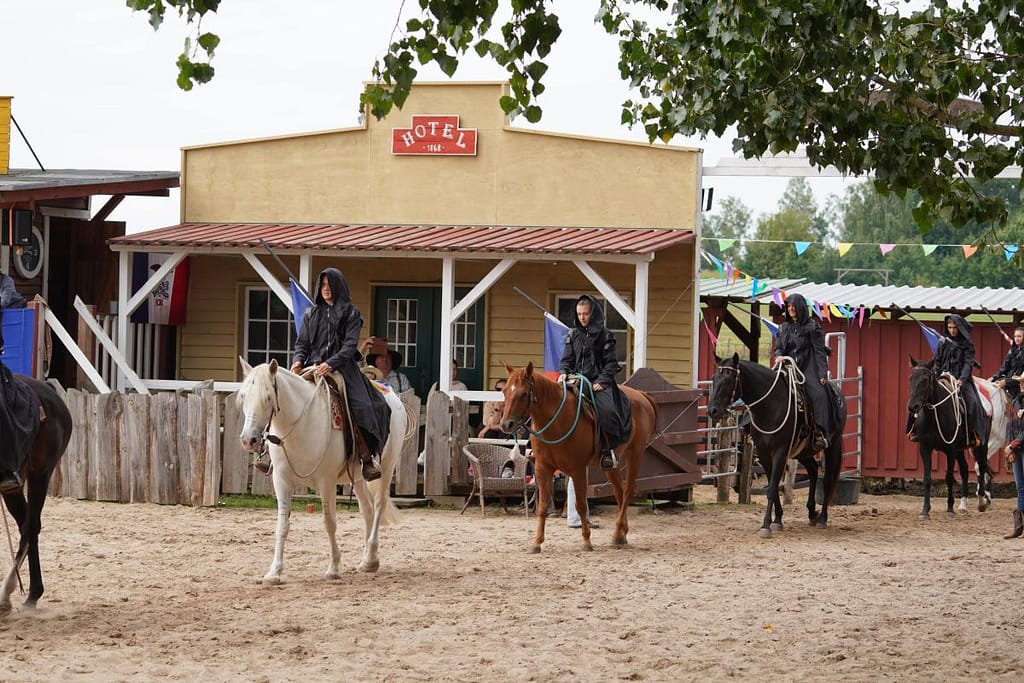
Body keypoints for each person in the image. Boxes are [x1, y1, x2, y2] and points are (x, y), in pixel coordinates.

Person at [284, 267, 390, 482]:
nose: (326, 289)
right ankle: (270, 453)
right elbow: (302, 344)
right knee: (282, 398)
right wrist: (297, 362)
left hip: (343, 370)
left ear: (338, 286)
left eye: (330, 285)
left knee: (368, 406)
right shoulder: (311, 314)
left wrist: (331, 364)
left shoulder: (351, 313)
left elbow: (349, 346)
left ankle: (366, 457)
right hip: (311, 368)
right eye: (322, 285)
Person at [557, 294, 632, 470]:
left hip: (598, 384)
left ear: (593, 313)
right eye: (579, 314)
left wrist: (602, 381)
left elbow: (611, 364)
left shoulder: (606, 335)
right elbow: (566, 360)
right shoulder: (573, 334)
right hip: (574, 382)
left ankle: (608, 451)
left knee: (607, 412)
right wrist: (563, 373)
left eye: (585, 314)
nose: (582, 317)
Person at [913, 314, 987, 447]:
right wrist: (935, 374)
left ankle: (972, 434)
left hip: (961, 381)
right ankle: (914, 430)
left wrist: (962, 380)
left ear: (960, 328)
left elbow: (968, 364)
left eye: (954, 327)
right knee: (919, 395)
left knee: (973, 403)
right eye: (949, 327)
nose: (952, 330)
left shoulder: (967, 344)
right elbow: (938, 361)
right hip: (942, 377)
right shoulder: (943, 342)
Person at [773, 293, 832, 452]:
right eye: (789, 306)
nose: (791, 309)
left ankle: (819, 432)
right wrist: (779, 356)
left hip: (807, 368)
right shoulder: (784, 327)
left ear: (801, 308)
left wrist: (822, 374)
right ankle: (748, 426)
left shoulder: (812, 327)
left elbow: (820, 352)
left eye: (793, 306)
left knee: (819, 394)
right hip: (787, 367)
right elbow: (778, 347)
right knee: (767, 388)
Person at [1003, 413, 1024, 539]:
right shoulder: (1015, 401)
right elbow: (1009, 424)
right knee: (1020, 487)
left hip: (1017, 445)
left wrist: (1012, 445)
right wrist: (1009, 449)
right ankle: (1019, 526)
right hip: (1016, 449)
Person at [990, 326, 1024, 404]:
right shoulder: (1013, 350)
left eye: (1019, 336)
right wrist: (994, 377)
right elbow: (1004, 367)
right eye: (1015, 336)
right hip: (1009, 380)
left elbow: (1021, 376)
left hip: (1020, 384)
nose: (1017, 338)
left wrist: (1006, 382)